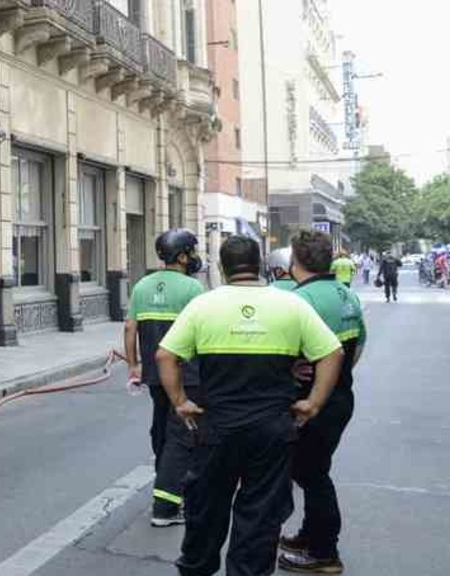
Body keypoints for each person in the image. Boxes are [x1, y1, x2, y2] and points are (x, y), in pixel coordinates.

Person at [157, 235, 344, 576]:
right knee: (260, 518)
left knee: (206, 510)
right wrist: (313, 402)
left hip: (216, 429)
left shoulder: (203, 305)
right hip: (272, 432)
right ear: (259, 264)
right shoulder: (291, 305)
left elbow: (165, 355)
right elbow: (333, 352)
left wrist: (180, 402)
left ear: (221, 266)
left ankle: (197, 569)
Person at [279, 231, 367, 574]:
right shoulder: (347, 295)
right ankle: (310, 535)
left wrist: (296, 373)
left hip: (310, 403)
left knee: (312, 475)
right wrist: (336, 376)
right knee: (313, 470)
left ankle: (324, 553)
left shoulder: (300, 300)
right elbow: (356, 347)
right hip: (341, 396)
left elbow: (284, 353)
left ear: (294, 262)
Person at [124, 229, 207, 527]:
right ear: (182, 256)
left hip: (154, 375)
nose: (195, 258)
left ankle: (165, 481)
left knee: (161, 428)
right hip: (186, 375)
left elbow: (130, 328)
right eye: (192, 252)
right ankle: (169, 501)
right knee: (184, 435)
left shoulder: (142, 286)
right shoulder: (192, 289)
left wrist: (133, 365)